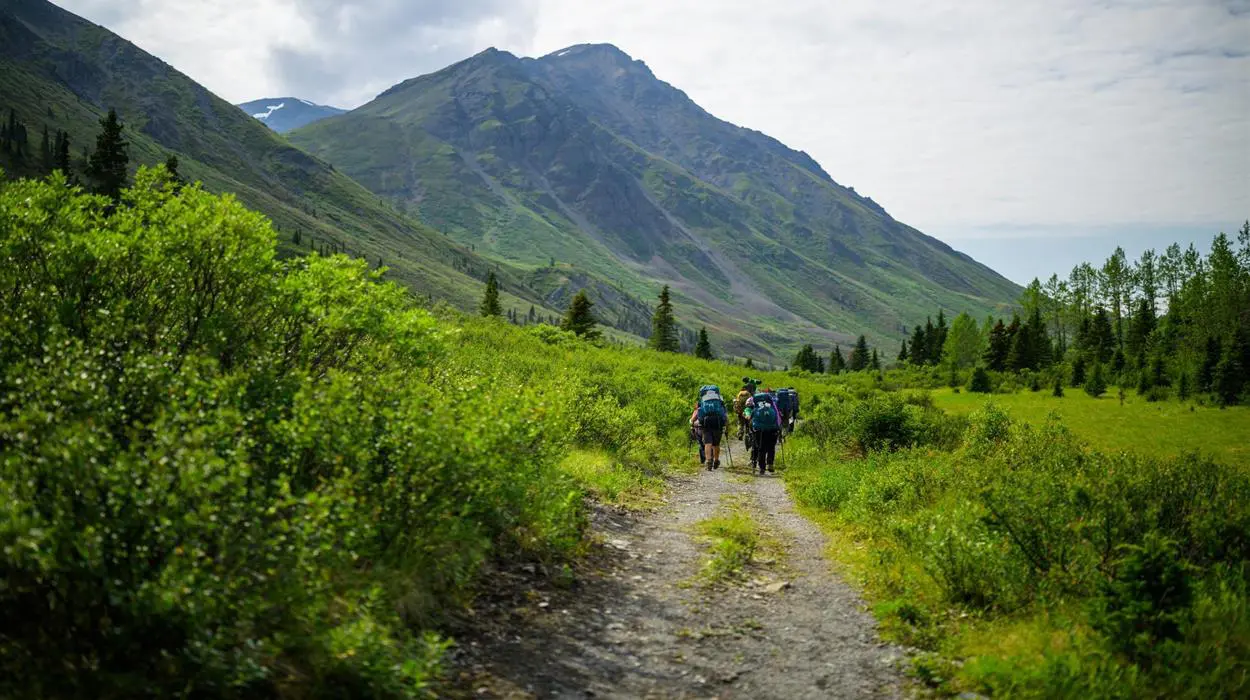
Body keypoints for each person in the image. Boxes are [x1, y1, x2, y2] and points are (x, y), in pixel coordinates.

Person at [693, 386, 728, 470]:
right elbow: (725, 415)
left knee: (707, 443)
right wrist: (727, 427)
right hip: (718, 424)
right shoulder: (720, 400)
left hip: (705, 424)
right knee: (716, 444)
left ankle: (708, 461)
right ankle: (716, 460)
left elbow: (698, 413)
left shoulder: (703, 400)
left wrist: (693, 422)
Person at [750, 389, 782, 475]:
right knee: (771, 447)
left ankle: (762, 467)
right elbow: (778, 418)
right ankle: (770, 464)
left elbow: (751, 419)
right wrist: (779, 428)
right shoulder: (772, 405)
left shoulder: (756, 407)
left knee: (761, 448)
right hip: (772, 429)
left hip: (759, 430)